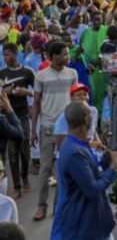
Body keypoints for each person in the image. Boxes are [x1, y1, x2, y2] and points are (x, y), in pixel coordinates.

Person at [50, 101, 117, 240]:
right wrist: (113, 166)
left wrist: (108, 156)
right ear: (87, 121)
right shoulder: (74, 152)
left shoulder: (77, 145)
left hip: (90, 223)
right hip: (82, 226)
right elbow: (93, 190)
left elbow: (95, 172)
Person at [32, 41, 78, 222]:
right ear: (55, 56)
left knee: (62, 169)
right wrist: (34, 131)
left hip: (68, 129)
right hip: (47, 127)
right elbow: (36, 103)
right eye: (65, 54)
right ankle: (41, 206)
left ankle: (59, 206)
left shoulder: (72, 73)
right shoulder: (41, 76)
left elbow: (76, 99)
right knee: (45, 169)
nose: (68, 57)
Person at [0, 43, 35, 199]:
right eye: (4, 55)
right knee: (12, 153)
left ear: (15, 54)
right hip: (7, 116)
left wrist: (26, 92)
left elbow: (37, 92)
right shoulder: (2, 73)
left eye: (8, 55)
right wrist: (3, 92)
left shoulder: (27, 72)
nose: (5, 58)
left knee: (25, 151)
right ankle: (17, 186)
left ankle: (25, 174)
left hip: (23, 115)